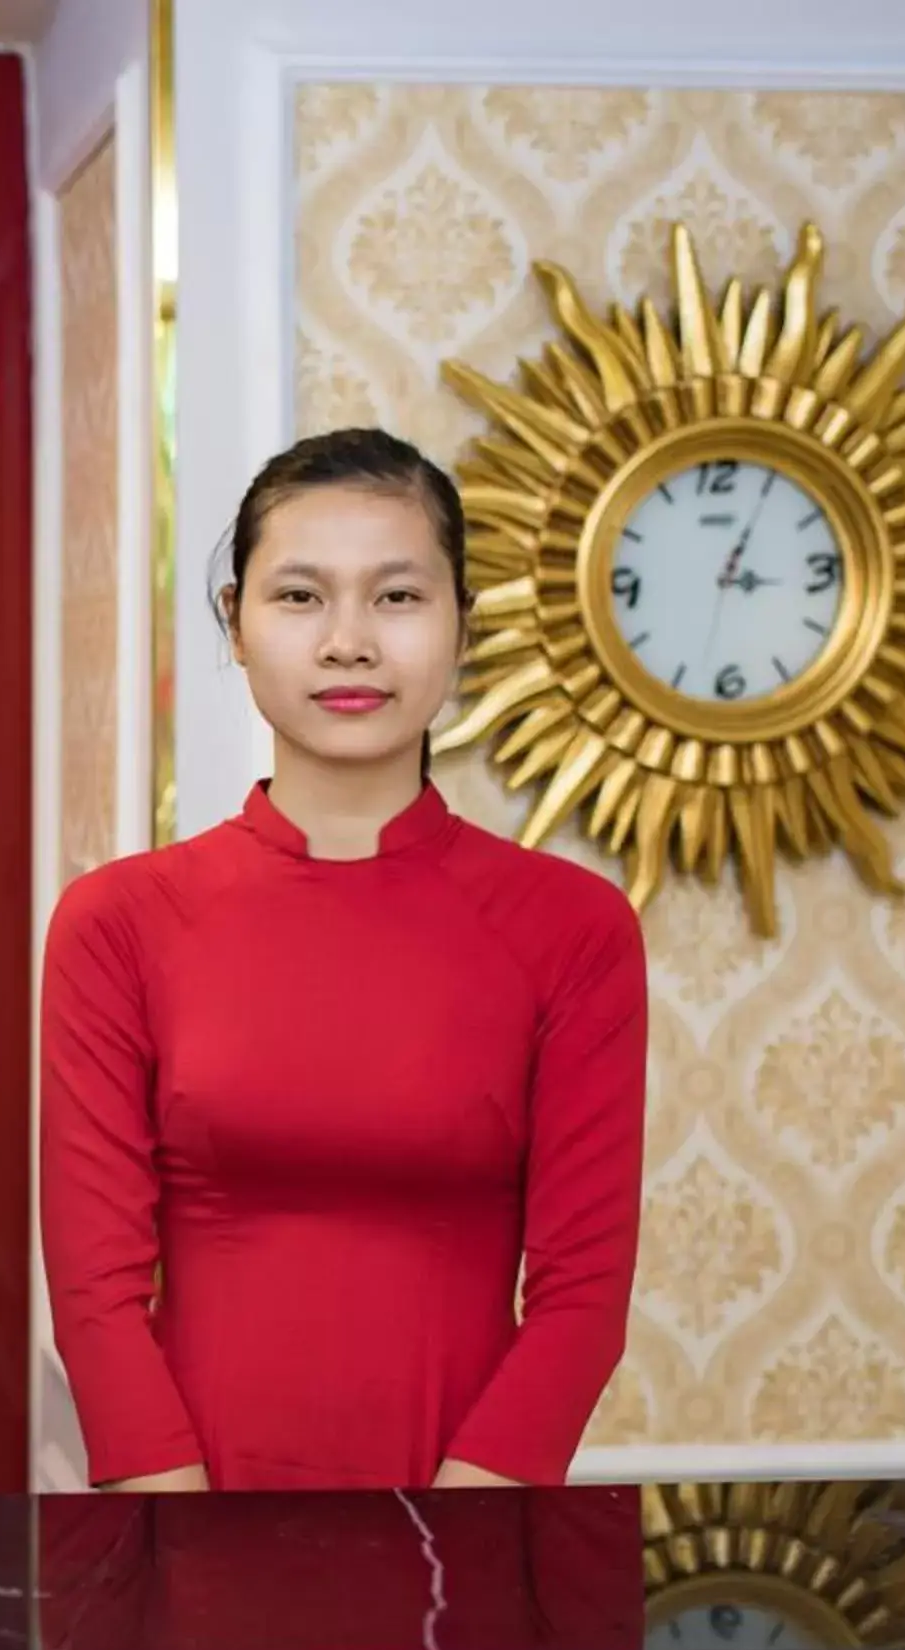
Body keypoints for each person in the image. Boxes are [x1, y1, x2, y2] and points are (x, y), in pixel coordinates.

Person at [40, 427, 647, 1493]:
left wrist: (451, 1557)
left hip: (470, 1537)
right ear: (234, 622)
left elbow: (582, 1295)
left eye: (399, 597)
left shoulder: (574, 927)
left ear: (463, 623)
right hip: (188, 1530)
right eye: (300, 597)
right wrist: (184, 1548)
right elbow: (94, 1292)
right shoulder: (118, 921)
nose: (349, 643)